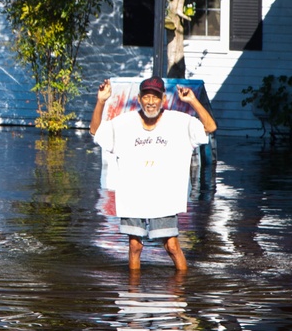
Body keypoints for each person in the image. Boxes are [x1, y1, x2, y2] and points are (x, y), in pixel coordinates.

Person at [90, 76, 217, 272]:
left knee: (172, 246)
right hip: (133, 196)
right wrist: (101, 101)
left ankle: (181, 289)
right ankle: (132, 295)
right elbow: (95, 131)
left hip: (164, 196)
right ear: (139, 99)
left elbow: (210, 127)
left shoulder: (179, 122)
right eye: (146, 97)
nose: (151, 102)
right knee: (134, 246)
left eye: (155, 97)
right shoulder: (125, 123)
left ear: (163, 99)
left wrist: (192, 100)